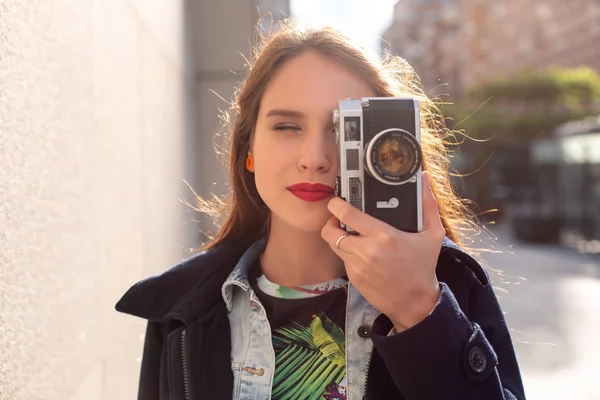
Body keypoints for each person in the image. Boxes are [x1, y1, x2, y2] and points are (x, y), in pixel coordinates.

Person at [115, 20, 526, 400]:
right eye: (287, 126)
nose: (314, 158)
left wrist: (420, 313)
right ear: (249, 150)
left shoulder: (449, 289)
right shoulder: (179, 312)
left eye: (343, 131)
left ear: (388, 149)